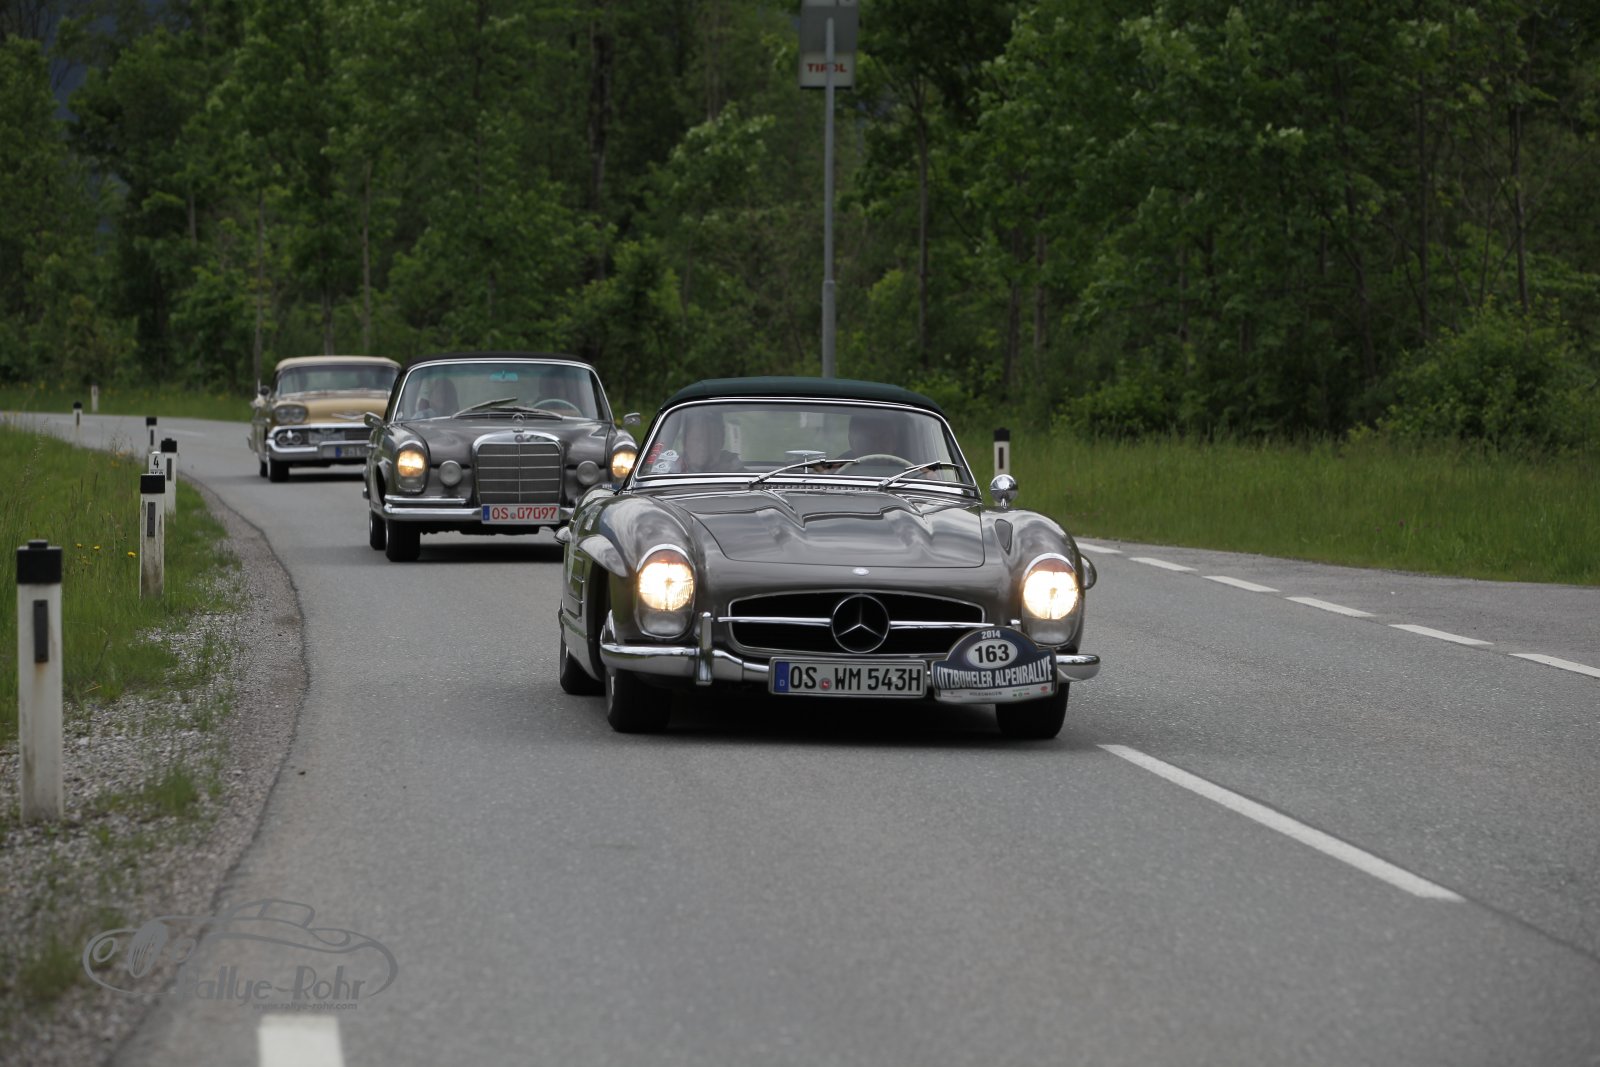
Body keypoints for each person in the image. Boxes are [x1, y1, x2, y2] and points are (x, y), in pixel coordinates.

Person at [838, 410, 903, 460]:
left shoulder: (907, 470)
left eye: (884, 440)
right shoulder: (838, 469)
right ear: (851, 442)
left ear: (895, 443)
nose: (876, 447)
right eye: (868, 441)